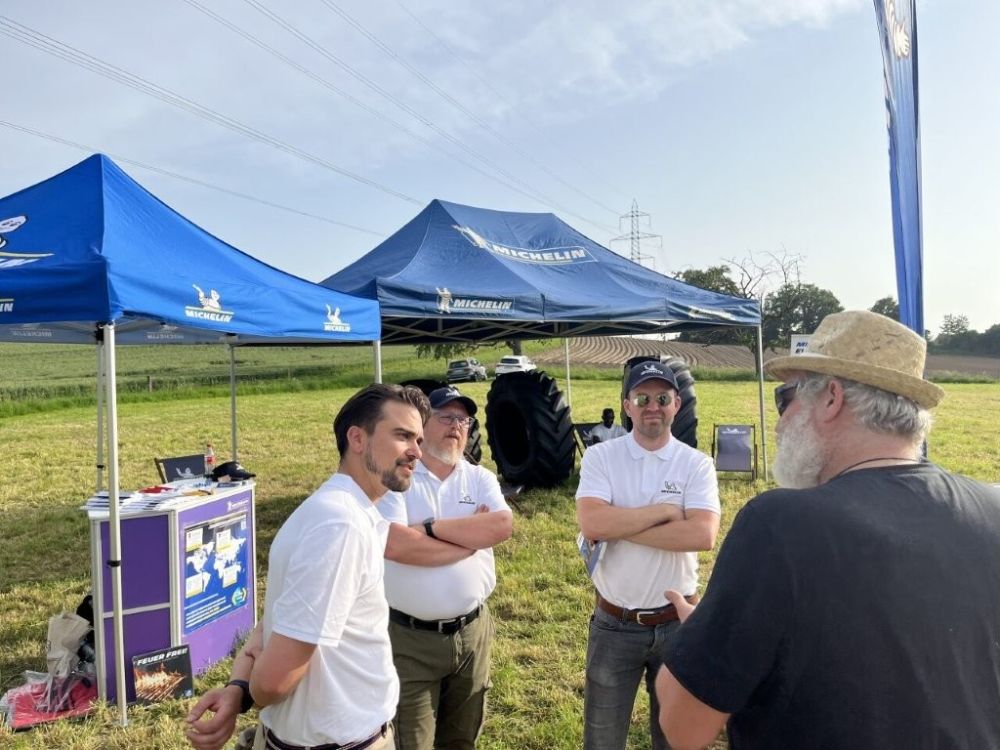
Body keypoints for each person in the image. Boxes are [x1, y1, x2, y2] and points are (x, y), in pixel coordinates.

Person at [656, 310, 1000, 750]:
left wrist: (697, 633)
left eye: (786, 399)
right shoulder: (990, 508)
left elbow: (684, 728)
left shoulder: (781, 524)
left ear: (832, 397)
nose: (780, 422)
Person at [185, 383, 470, 750]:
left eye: (417, 439)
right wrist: (249, 690)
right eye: (402, 436)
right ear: (357, 438)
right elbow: (275, 680)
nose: (416, 451)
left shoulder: (338, 508)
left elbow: (278, 618)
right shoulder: (341, 525)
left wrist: (238, 690)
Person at [576, 361, 721, 750]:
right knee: (602, 740)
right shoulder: (601, 457)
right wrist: (664, 512)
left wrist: (619, 523)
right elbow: (592, 523)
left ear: (676, 404)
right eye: (642, 397)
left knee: (674, 739)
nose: (651, 406)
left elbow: (701, 534)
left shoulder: (697, 464)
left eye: (662, 398)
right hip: (614, 621)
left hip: (677, 622)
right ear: (627, 405)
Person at [377, 385, 513, 750]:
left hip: (473, 634)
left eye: (464, 419)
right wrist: (471, 537)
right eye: (446, 417)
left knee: (462, 738)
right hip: (410, 640)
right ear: (423, 426)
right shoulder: (398, 480)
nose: (457, 426)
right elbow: (399, 545)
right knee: (412, 740)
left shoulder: (479, 478)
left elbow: (501, 527)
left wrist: (431, 529)